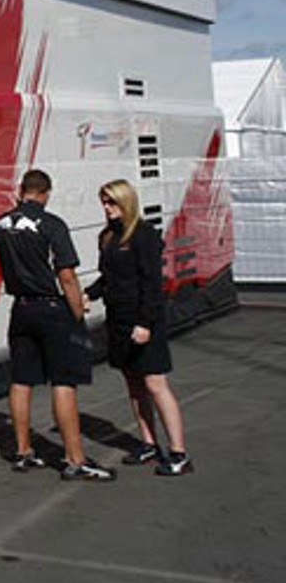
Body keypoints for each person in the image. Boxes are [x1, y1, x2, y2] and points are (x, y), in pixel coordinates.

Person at [0, 169, 113, 481]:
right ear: (46, 193)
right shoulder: (52, 225)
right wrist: (77, 315)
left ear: (21, 190)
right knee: (63, 381)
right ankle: (75, 459)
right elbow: (67, 277)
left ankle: (23, 452)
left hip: (20, 308)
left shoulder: (0, 224)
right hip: (51, 308)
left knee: (21, 379)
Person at [95, 179, 191, 475]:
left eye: (111, 201)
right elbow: (108, 278)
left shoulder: (144, 236)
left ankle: (179, 453)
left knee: (155, 384)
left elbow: (152, 283)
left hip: (143, 321)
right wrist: (88, 294)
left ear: (126, 201)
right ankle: (149, 445)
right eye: (104, 201)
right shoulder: (108, 237)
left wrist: (145, 323)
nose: (107, 207)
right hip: (118, 320)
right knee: (134, 384)